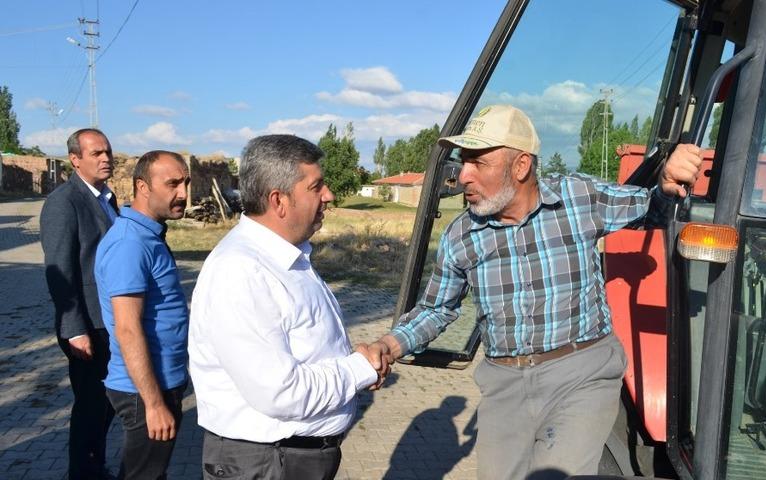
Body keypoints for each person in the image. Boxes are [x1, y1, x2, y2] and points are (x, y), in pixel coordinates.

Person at [366, 104, 704, 478]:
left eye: (477, 162)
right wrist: (389, 345)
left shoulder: (577, 198)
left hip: (581, 375)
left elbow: (649, 211)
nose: (463, 176)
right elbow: (436, 309)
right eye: (463, 162)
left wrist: (667, 185)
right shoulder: (461, 236)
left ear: (521, 166)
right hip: (504, 385)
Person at [188, 134, 380, 480]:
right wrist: (357, 371)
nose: (329, 196)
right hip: (266, 462)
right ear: (279, 200)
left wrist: (354, 367)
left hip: (286, 458)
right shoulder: (242, 270)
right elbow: (280, 391)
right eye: (316, 186)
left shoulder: (285, 256)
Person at [94, 150, 191, 479]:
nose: (183, 193)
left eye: (186, 183)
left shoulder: (147, 236)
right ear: (142, 186)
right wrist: (152, 404)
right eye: (173, 184)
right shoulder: (130, 244)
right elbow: (127, 330)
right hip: (144, 389)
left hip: (159, 382)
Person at [40, 128, 118, 480]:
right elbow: (60, 271)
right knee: (90, 405)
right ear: (75, 159)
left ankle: (94, 464)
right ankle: (84, 472)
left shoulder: (107, 198)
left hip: (110, 319)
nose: (106, 158)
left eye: (107, 152)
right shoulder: (63, 201)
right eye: (96, 153)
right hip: (86, 325)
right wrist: (74, 330)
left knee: (107, 404)